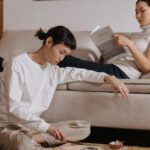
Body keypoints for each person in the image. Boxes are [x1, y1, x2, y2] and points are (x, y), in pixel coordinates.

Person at [0, 25, 128, 149]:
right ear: (49, 41)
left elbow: (80, 73)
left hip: (34, 129)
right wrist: (48, 128)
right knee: (22, 144)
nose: (62, 58)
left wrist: (109, 78)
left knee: (83, 127)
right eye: (61, 52)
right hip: (8, 127)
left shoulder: (53, 71)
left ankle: (35, 141)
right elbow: (14, 108)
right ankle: (32, 142)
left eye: (65, 55)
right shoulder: (17, 64)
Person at [58, 0, 150, 80]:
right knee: (70, 63)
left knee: (68, 60)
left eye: (142, 11)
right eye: (136, 11)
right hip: (115, 66)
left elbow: (147, 67)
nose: (138, 16)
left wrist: (129, 44)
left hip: (123, 72)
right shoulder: (138, 35)